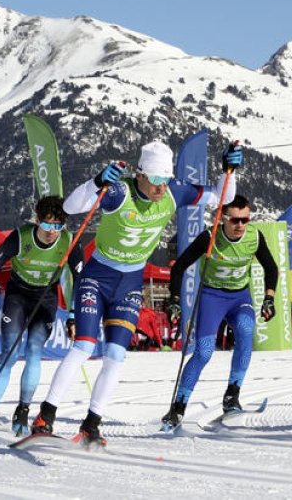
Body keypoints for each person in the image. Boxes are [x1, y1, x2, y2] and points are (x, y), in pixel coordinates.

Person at [30, 140, 242, 447]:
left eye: (165, 179)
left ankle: (92, 424)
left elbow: (226, 196)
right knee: (84, 347)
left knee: (116, 356)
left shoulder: (173, 193)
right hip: (97, 278)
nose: (160, 187)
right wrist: (97, 182)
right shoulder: (119, 192)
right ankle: (45, 416)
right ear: (140, 174)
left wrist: (229, 170)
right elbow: (71, 207)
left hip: (130, 283)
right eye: (155, 179)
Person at [160, 195, 278, 430]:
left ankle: (232, 395)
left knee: (246, 330)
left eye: (245, 219)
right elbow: (180, 266)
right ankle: (179, 407)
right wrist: (173, 300)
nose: (241, 226)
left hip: (239, 297)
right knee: (203, 352)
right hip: (212, 297)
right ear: (223, 218)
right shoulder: (209, 237)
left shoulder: (254, 237)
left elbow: (271, 267)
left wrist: (269, 298)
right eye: (235, 220)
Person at [0, 195, 84, 438]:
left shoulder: (68, 241)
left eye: (57, 226)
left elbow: (79, 280)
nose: (51, 232)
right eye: (46, 225)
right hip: (18, 295)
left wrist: (73, 315)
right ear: (37, 221)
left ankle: (22, 411)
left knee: (34, 350)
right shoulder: (21, 236)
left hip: (46, 298)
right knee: (10, 352)